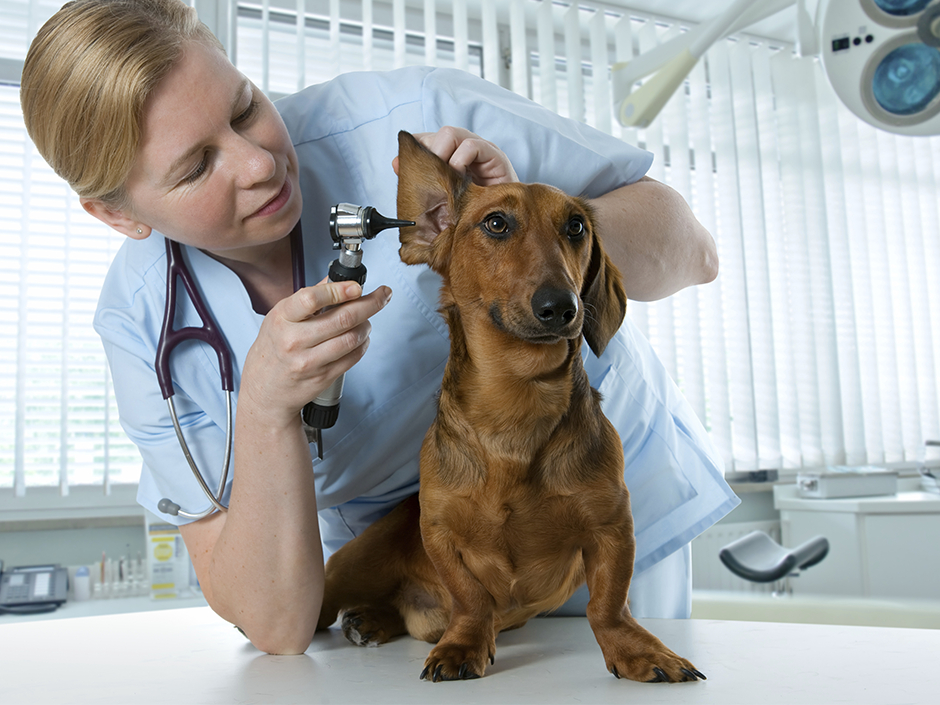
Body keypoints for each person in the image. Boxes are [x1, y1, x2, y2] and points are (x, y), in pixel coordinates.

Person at [21, 0, 739, 655]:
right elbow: (273, 623)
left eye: (244, 109)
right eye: (197, 166)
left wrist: (527, 239)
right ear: (119, 215)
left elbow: (693, 250)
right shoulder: (144, 325)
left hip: (590, 519)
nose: (259, 162)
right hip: (415, 575)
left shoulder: (414, 123)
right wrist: (266, 408)